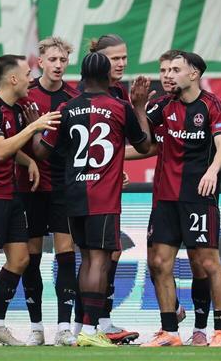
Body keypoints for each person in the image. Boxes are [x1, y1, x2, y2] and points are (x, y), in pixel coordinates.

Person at [127, 50, 221, 346]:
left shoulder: (211, 105)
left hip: (198, 197)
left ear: (194, 74)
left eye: (175, 69)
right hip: (165, 198)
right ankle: (170, 332)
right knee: (159, 263)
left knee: (207, 263)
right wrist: (139, 107)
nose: (167, 75)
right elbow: (143, 142)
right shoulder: (162, 105)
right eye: (164, 70)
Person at [39, 52, 151, 347]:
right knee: (98, 262)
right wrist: (140, 107)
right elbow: (145, 144)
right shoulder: (120, 107)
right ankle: (90, 331)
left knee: (86, 259)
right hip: (103, 196)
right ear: (106, 77)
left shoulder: (66, 107)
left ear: (82, 76)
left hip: (73, 194)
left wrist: (37, 126)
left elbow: (44, 151)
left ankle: (81, 329)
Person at [0, 54, 58, 347]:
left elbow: (10, 147)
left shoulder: (16, 109)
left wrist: (28, 159)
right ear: (13, 79)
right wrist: (33, 127)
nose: (32, 78)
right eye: (28, 73)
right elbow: (0, 149)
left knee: (20, 259)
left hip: (10, 192)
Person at [17, 37, 80, 346]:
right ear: (39, 62)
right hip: (31, 186)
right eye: (52, 59)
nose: (58, 65)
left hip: (64, 187)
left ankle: (64, 327)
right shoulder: (26, 97)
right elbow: (8, 141)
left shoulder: (74, 97)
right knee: (31, 257)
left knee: (66, 255)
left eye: (63, 60)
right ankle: (36, 326)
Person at [86, 34, 138, 343]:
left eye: (124, 58)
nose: (121, 63)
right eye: (114, 58)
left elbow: (117, 142)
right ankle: (80, 326)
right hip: (79, 186)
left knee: (109, 252)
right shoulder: (81, 93)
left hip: (106, 186)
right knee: (87, 255)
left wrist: (116, 164)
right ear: (99, 59)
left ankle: (98, 323)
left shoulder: (119, 92)